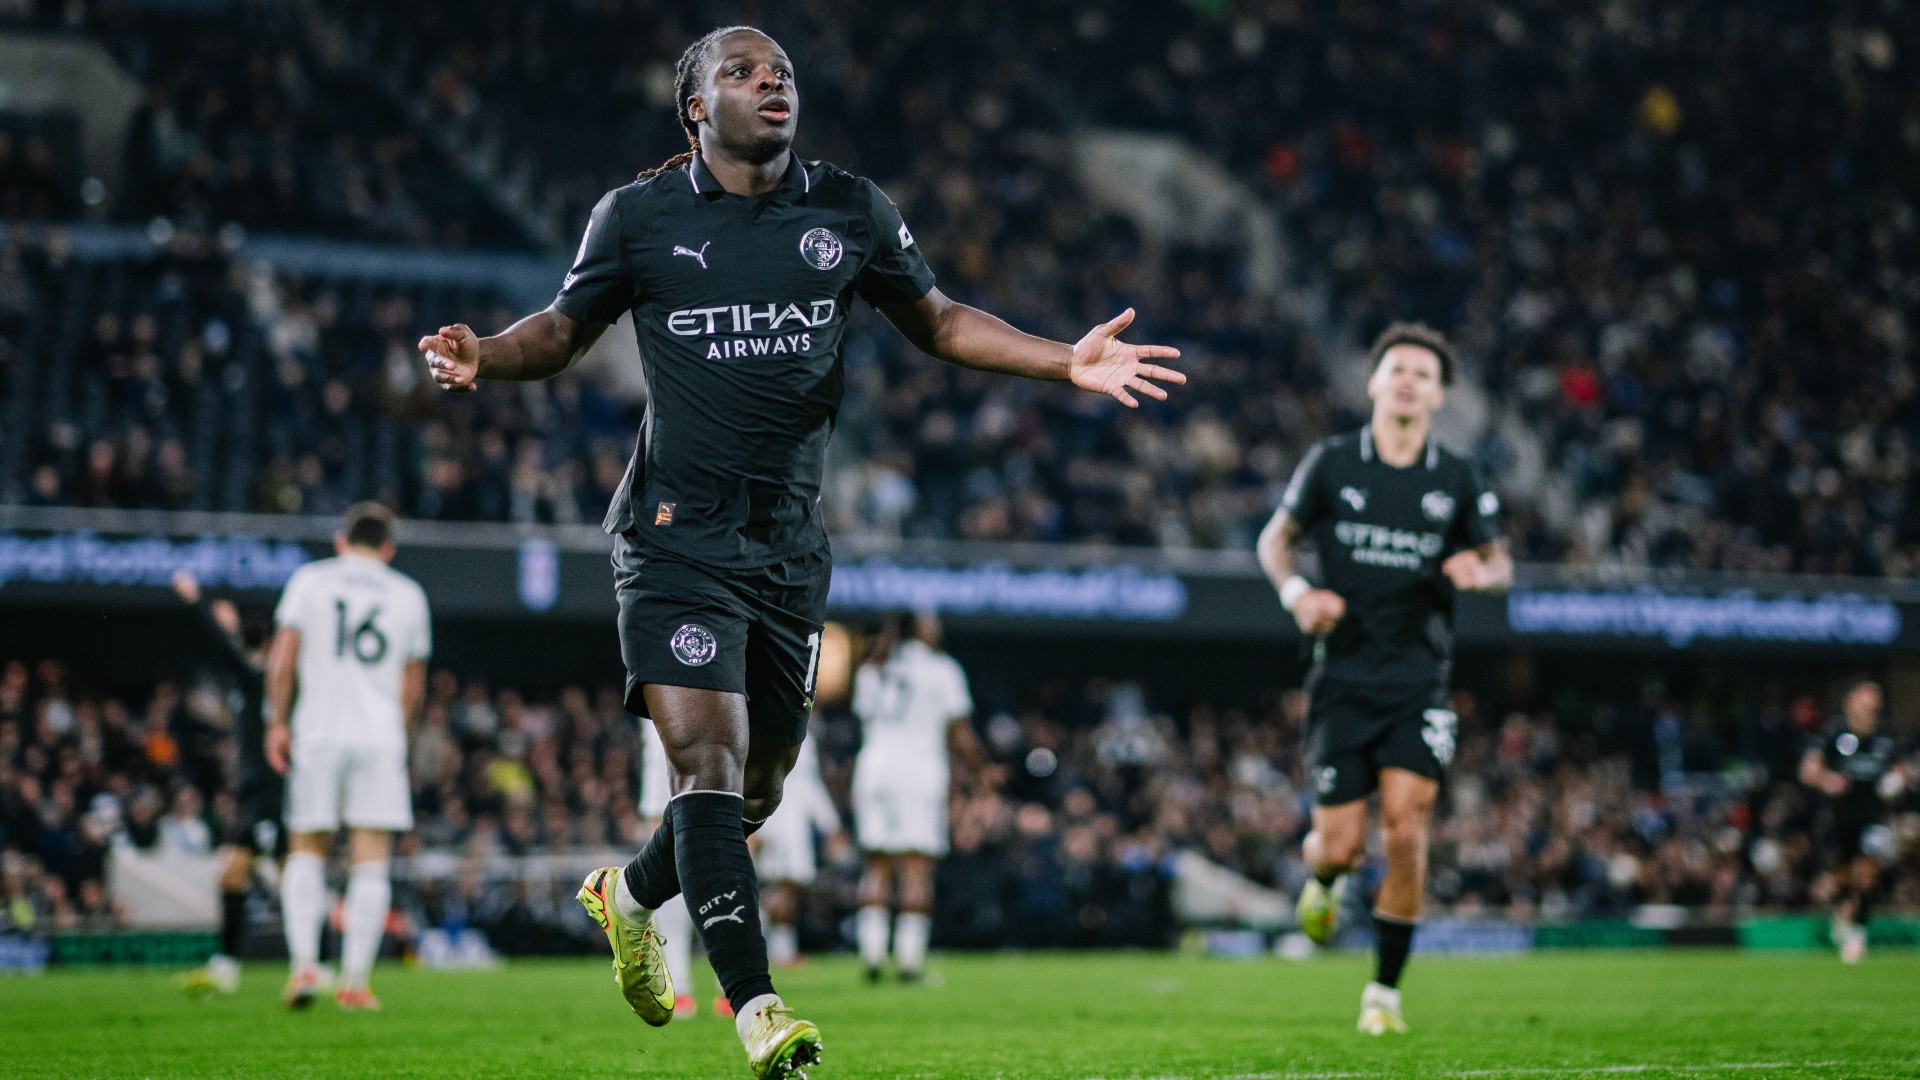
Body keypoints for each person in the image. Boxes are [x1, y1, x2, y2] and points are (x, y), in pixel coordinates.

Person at [416, 24, 1183, 1078]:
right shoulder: (637, 217)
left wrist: (1066, 362)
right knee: (709, 765)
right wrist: (489, 356)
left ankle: (628, 893)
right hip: (675, 539)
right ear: (696, 106)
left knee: (760, 791)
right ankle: (759, 1010)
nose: (770, 81)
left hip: (788, 548)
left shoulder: (848, 209)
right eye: (741, 72)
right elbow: (561, 329)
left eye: (779, 70)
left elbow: (939, 321)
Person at [1254, 323, 1511, 1035]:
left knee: (1405, 828)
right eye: (1397, 368)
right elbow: (1274, 541)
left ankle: (1383, 995)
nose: (1407, 381)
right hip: (1341, 679)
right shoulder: (1333, 462)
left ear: (1439, 395)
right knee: (1339, 846)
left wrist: (1481, 571)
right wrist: (1297, 595)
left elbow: (1501, 562)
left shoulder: (1456, 476)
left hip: (1418, 681)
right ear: (1373, 382)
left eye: (1423, 374)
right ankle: (1323, 878)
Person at [266, 503, 431, 1010]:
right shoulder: (408, 594)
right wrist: (401, 742)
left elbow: (282, 659)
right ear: (389, 548)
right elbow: (412, 687)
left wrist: (276, 722)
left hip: (317, 732)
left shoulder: (310, 581)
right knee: (371, 862)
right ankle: (355, 983)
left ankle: (303, 969)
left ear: (341, 541)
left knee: (305, 850)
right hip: (379, 738)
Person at [850, 612, 984, 983]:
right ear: (922, 630)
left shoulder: (872, 668)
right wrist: (983, 771)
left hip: (873, 769)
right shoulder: (942, 669)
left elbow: (864, 717)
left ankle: (872, 953)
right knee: (916, 867)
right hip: (918, 772)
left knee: (877, 865)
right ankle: (909, 962)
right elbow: (960, 734)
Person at [174, 570, 280, 997]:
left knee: (291, 877)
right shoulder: (249, 680)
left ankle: (314, 964)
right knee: (234, 874)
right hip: (254, 794)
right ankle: (228, 964)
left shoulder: (262, 679)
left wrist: (197, 602)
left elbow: (225, 647)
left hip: (273, 793)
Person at [1798, 676, 1906, 964]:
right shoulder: (1834, 734)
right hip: (1840, 819)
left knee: (1867, 873)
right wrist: (1827, 780)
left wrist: (1896, 781)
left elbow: (1901, 770)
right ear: (1851, 701)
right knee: (1842, 879)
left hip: (1873, 817)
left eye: (1875, 698)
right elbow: (1808, 770)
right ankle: (1843, 916)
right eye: (1866, 697)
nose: (1872, 703)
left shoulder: (1885, 737)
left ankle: (1858, 934)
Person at [753, 728, 843, 970]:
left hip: (780, 818)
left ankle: (783, 950)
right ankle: (748, 929)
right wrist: (829, 824)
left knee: (790, 886)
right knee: (787, 886)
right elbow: (809, 786)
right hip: (783, 821)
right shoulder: (796, 732)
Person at [636, 716, 701, 1018]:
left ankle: (731, 988)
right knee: (670, 883)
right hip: (668, 758)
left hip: (717, 757)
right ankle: (679, 985)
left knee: (724, 876)